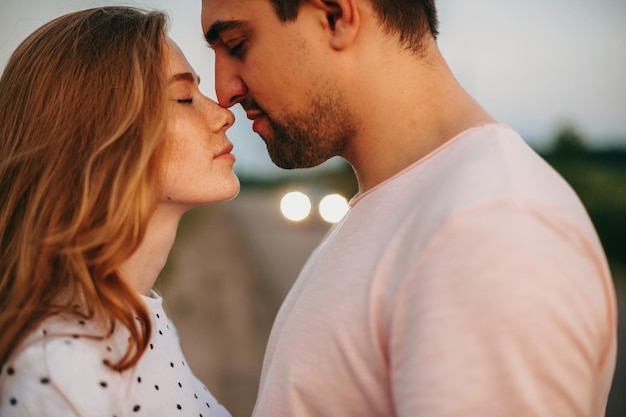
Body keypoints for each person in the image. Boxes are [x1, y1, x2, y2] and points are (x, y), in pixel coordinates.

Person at [200, 0, 618, 416]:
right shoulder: (410, 204)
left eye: (237, 45)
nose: (224, 92)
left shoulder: (491, 227)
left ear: (335, 17)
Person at [0, 6, 237, 417]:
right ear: (99, 135)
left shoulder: (141, 317)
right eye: (184, 98)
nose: (223, 115)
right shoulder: (54, 372)